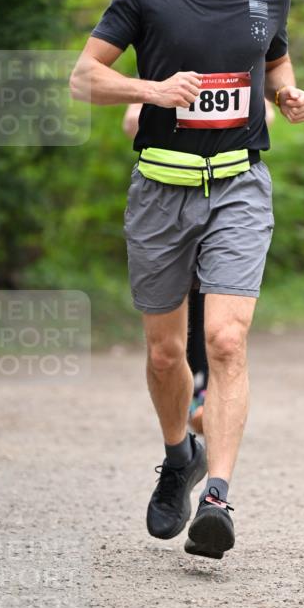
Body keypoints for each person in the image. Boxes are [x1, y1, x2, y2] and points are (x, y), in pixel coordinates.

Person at [70, 0, 304, 559]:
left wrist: (289, 95)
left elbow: (271, 64)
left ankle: (218, 498)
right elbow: (84, 78)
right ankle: (179, 456)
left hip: (238, 184)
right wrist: (151, 89)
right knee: (165, 351)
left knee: (228, 342)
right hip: (160, 189)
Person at [123, 101, 209, 435]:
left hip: (222, 191)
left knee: (210, 296)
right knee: (175, 310)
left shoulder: (237, 59)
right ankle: (188, 391)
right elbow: (131, 119)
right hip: (166, 194)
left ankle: (202, 392)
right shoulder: (167, 65)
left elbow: (266, 113)